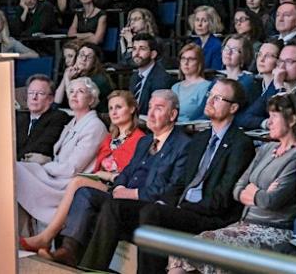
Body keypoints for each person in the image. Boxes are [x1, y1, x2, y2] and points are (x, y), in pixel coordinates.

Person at [80, 79, 256, 273]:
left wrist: (178, 205)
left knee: (152, 213)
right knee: (115, 206)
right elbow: (180, 183)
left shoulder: (241, 144)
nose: (210, 100)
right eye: (210, 95)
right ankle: (89, 270)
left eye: (218, 98)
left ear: (233, 108)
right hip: (182, 207)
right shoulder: (200, 139)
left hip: (209, 216)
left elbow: (222, 197)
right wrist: (166, 201)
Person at [35, 89, 192, 265]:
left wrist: (132, 194)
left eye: (159, 108)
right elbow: (126, 172)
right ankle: (69, 250)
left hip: (146, 205)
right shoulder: (145, 141)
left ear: (173, 115)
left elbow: (173, 187)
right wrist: (119, 187)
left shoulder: (183, 145)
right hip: (122, 196)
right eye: (150, 107)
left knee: (110, 204)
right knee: (85, 192)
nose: (151, 113)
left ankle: (90, 267)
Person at [167, 93, 296, 274]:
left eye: (274, 116)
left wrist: (254, 191)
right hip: (244, 225)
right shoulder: (267, 149)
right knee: (179, 249)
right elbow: (237, 189)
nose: (269, 122)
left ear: (292, 120)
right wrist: (257, 192)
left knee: (203, 248)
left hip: (273, 232)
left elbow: (271, 201)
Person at [20, 90, 145, 253]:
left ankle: (46, 237)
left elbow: (133, 175)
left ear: (132, 109)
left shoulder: (140, 139)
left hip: (117, 187)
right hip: (97, 182)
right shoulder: (109, 137)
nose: (113, 112)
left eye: (119, 107)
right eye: (111, 108)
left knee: (77, 182)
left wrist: (106, 175)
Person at [16, 77, 110, 235]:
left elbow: (72, 168)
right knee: (14, 172)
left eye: (80, 92)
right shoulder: (73, 122)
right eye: (71, 91)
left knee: (17, 171)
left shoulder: (94, 126)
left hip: (66, 182)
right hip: (56, 175)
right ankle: (19, 236)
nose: (74, 95)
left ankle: (21, 238)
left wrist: (44, 164)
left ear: (92, 99)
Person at [237, 38, 296, 139]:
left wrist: (280, 88)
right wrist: (267, 123)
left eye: (288, 62)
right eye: (280, 61)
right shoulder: (275, 85)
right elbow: (246, 117)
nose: (282, 67)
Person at [17, 74, 69, 161]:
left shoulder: (58, 117)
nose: (34, 97)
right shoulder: (18, 118)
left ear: (51, 99)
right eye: (31, 93)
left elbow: (42, 148)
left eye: (40, 93)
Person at [54, 43, 114, 114]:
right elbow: (56, 102)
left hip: (97, 116)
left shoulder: (99, 79)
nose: (84, 59)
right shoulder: (75, 74)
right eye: (81, 55)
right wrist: (65, 76)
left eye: (89, 57)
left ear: (95, 62)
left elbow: (76, 102)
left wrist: (67, 79)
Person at [129, 33, 177, 115]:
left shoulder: (161, 79)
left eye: (142, 49)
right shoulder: (134, 77)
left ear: (153, 54)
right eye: (134, 49)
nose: (136, 53)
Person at [172, 43, 213, 123]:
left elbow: (203, 115)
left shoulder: (206, 87)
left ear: (199, 62)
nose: (186, 63)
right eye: (183, 58)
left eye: (191, 59)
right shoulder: (175, 87)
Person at [188, 5, 224, 71]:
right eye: (197, 20)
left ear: (211, 23)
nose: (199, 24)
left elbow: (215, 72)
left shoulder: (217, 45)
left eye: (204, 21)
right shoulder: (195, 43)